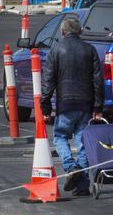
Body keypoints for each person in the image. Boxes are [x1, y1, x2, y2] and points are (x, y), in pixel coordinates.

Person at [42, 16, 104, 196]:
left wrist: (45, 107)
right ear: (80, 31)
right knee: (83, 142)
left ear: (62, 31)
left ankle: (70, 167)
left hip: (66, 103)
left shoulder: (56, 49)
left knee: (60, 137)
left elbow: (49, 80)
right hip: (85, 104)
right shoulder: (89, 49)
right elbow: (98, 81)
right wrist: (98, 107)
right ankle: (83, 184)